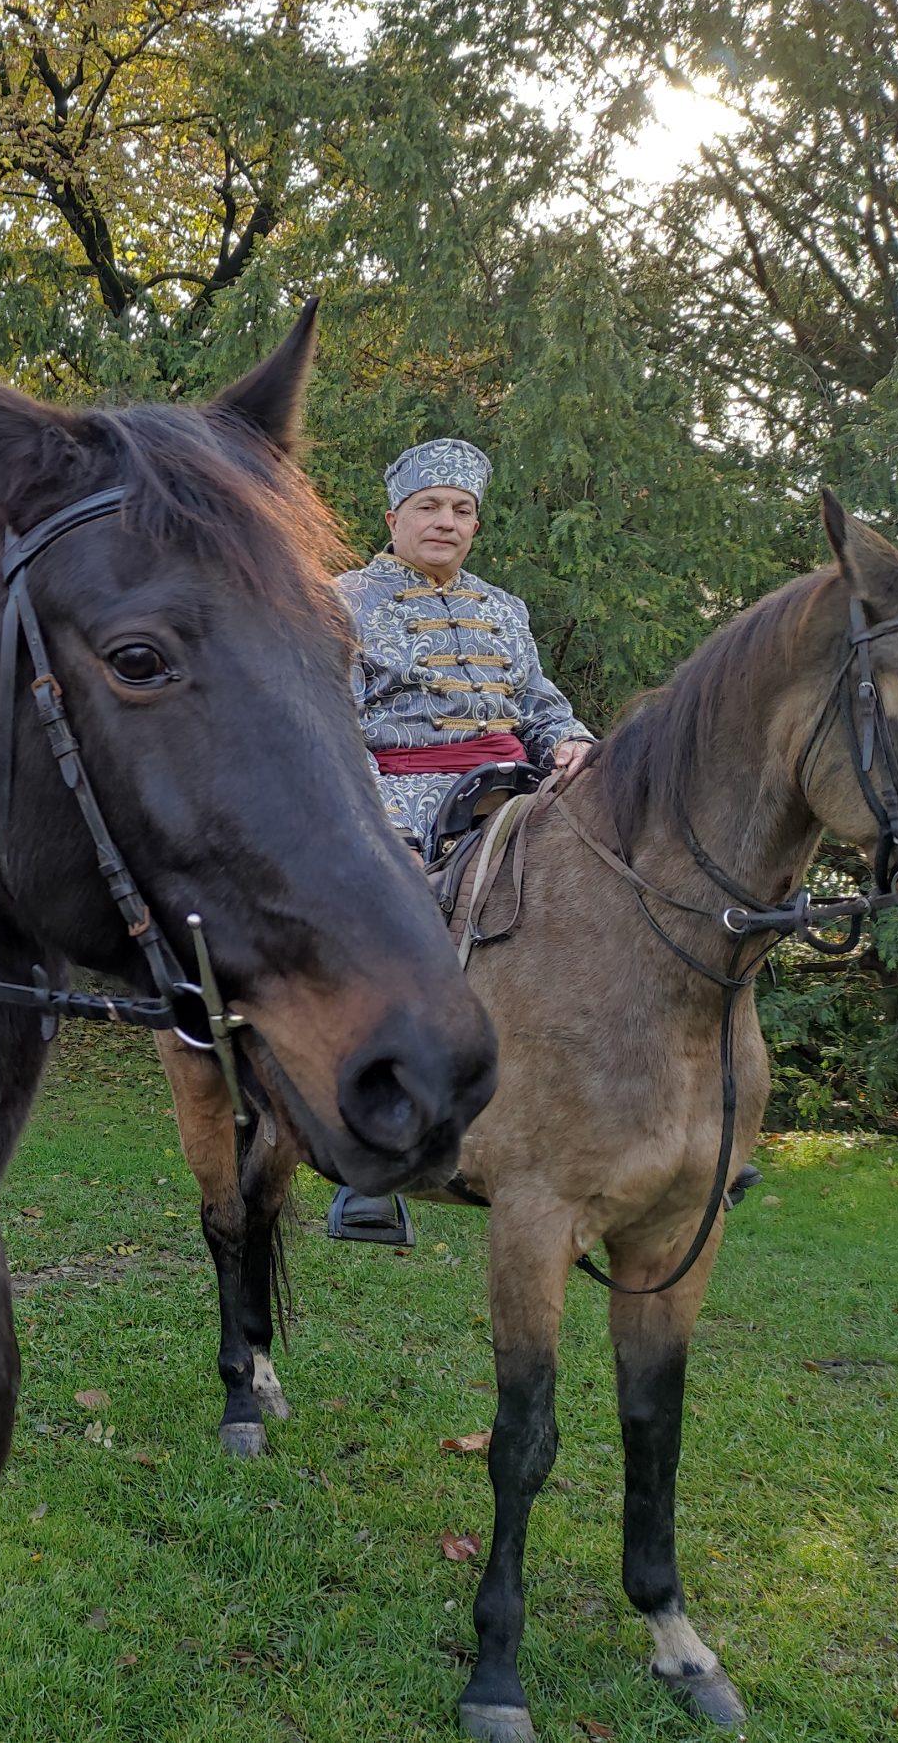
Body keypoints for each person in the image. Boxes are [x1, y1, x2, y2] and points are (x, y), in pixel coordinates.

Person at [327, 437, 591, 1245]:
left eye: (462, 509)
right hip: (398, 792)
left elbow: (540, 705)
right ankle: (377, 1154)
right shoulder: (341, 600)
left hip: (520, 790)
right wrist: (383, 826)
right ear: (394, 517)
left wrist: (573, 741)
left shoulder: (504, 608)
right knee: (400, 930)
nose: (447, 521)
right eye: (430, 507)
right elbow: (334, 726)